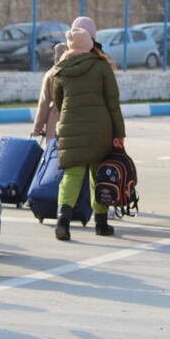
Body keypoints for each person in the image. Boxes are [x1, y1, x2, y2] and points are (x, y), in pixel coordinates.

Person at [52, 24, 126, 240]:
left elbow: (58, 102)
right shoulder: (101, 66)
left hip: (71, 128)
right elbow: (113, 103)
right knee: (99, 174)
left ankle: (62, 221)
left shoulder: (61, 69)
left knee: (72, 175)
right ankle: (101, 223)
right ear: (90, 45)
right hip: (100, 130)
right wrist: (119, 134)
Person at [31, 42, 67, 140]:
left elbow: (44, 103)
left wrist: (37, 128)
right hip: (72, 115)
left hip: (55, 117)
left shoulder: (50, 74)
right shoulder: (77, 71)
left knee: (53, 150)